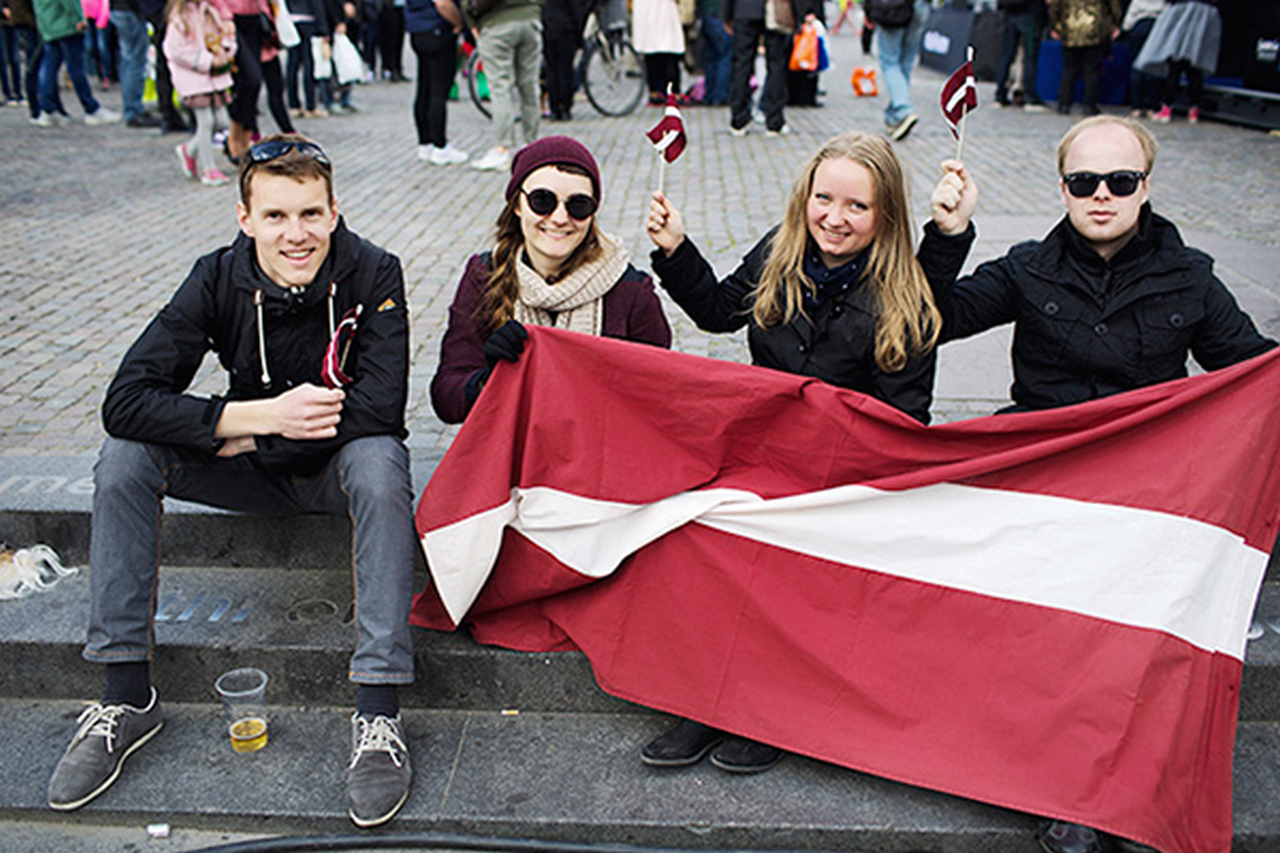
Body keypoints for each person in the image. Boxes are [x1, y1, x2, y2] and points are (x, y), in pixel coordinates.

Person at [45, 134, 419, 831]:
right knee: (126, 456)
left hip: (330, 470)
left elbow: (380, 411)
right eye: (276, 216)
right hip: (249, 461)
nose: (296, 233)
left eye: (310, 213)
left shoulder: (375, 272)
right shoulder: (217, 276)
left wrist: (255, 433)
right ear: (244, 218)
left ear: (335, 211)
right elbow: (125, 399)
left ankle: (378, 713)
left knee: (379, 463)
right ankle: (126, 696)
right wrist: (252, 417)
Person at [925, 114, 1276, 853]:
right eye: (1086, 182)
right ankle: (1063, 786)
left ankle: (1104, 792)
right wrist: (950, 236)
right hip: (1045, 480)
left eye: (1122, 181)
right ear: (1062, 188)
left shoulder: (1191, 276)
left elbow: (1251, 368)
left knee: (1136, 624)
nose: (1103, 195)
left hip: (1146, 493)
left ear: (1146, 187)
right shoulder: (1026, 267)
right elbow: (932, 319)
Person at [642, 130, 972, 772]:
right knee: (700, 535)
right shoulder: (780, 250)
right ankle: (704, 698)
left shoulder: (903, 289)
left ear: (884, 216)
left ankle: (765, 708)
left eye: (856, 207)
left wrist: (951, 235)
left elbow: (907, 419)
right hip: (765, 455)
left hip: (846, 476)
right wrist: (676, 249)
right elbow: (715, 312)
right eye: (825, 199)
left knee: (791, 558)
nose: (835, 218)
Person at [432, 135, 672, 423]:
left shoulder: (630, 290)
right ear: (517, 205)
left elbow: (658, 400)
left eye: (578, 205)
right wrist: (489, 379)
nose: (559, 218)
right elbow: (446, 398)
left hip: (601, 453)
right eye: (542, 201)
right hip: (511, 453)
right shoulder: (485, 275)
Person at [163, 0, 236, 185]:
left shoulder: (210, 12)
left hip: (213, 77)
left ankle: (190, 149)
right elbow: (174, 49)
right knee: (206, 122)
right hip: (194, 78)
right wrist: (205, 60)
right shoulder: (180, 19)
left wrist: (225, 50)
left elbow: (222, 36)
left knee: (222, 121)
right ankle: (209, 168)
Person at [466, 0, 543, 173]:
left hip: (496, 23)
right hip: (529, 20)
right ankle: (531, 143)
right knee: (529, 85)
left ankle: (503, 148)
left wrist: (472, 23)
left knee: (500, 87)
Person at [724, 0, 817, 137]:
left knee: (742, 65)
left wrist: (727, 14)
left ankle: (738, 120)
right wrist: (801, 14)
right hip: (775, 11)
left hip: (744, 10)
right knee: (776, 66)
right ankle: (774, 120)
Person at [32, 0, 120, 124]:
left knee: (49, 67)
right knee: (76, 68)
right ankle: (91, 108)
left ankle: (47, 109)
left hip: (48, 23)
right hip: (66, 23)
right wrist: (79, 18)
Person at [1133, 0, 1220, 125]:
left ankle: (1167, 109)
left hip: (1183, 12)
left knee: (1176, 66)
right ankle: (1193, 110)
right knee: (1194, 68)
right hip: (1202, 13)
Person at [406, 0, 467, 164]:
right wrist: (458, 22)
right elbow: (443, 3)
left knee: (424, 88)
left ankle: (425, 142)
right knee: (438, 91)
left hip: (417, 29)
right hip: (437, 28)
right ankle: (440, 145)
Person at [1048, 0, 1122, 117]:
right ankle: (1089, 105)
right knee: (1092, 70)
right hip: (1094, 28)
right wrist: (1114, 24)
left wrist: (1056, 25)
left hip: (1070, 27)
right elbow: (1114, 6)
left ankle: (1064, 103)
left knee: (1069, 69)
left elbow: (1055, 6)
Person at [872, 0, 928, 139]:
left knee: (889, 62)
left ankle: (903, 109)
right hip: (921, 6)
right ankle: (894, 117)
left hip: (893, 7)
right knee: (905, 64)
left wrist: (869, 10)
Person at [112, 0, 164, 126]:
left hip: (119, 9)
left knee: (128, 60)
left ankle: (131, 107)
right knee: (135, 62)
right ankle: (134, 110)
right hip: (129, 11)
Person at [540, 0, 590, 120]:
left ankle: (554, 107)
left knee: (551, 69)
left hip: (548, 27)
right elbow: (577, 10)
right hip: (567, 28)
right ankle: (565, 107)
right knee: (565, 69)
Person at [993, 0, 1047, 110]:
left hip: (1009, 12)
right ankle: (1029, 96)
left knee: (1006, 55)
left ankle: (1000, 94)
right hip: (1030, 12)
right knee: (1030, 56)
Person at [633, 0, 684, 106]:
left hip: (645, 14)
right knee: (669, 53)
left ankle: (655, 92)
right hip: (664, 13)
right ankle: (673, 93)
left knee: (650, 53)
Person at [696, 0, 730, 105]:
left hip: (706, 13)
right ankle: (720, 96)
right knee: (725, 55)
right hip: (719, 13)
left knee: (711, 56)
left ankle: (709, 95)